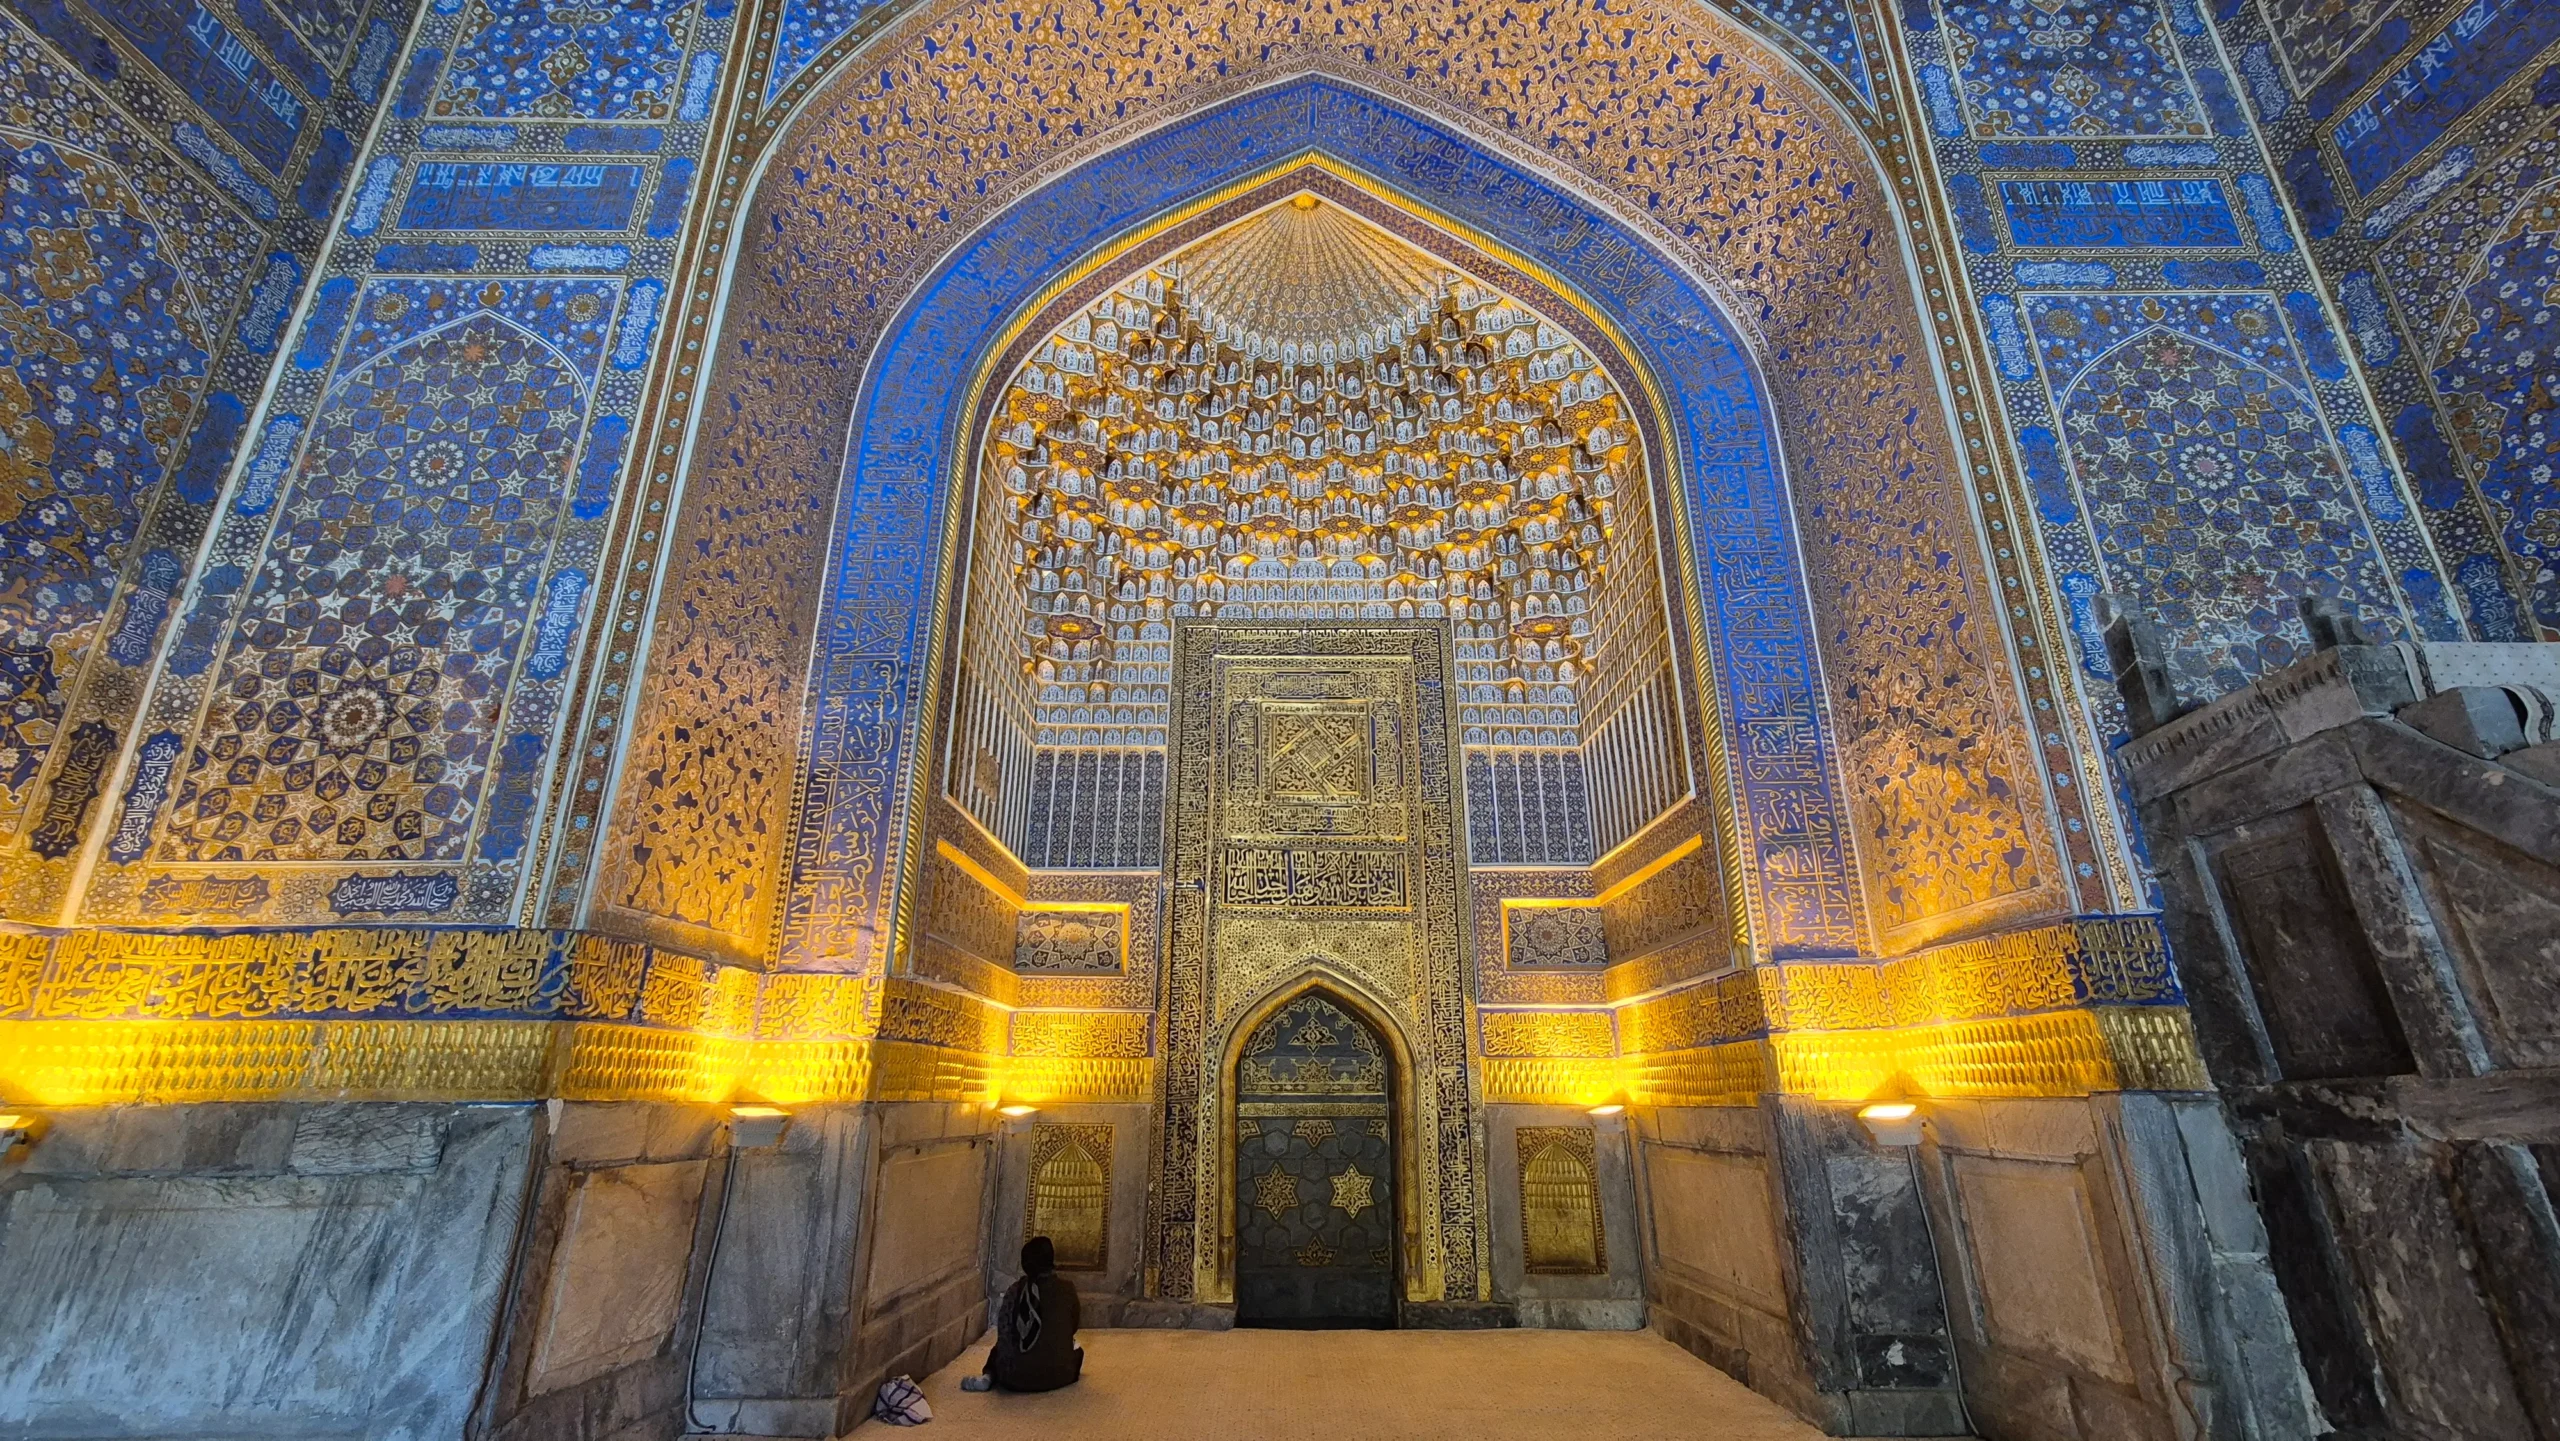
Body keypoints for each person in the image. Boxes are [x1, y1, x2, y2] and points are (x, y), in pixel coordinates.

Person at [971, 1236, 1083, 1392]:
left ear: (1025, 1265)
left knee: (998, 1350)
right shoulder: (1067, 1289)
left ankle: (989, 1376)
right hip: (1060, 1376)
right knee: (1078, 1351)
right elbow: (1073, 1326)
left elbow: (1004, 1334)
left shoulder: (1014, 1291)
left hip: (1014, 1378)